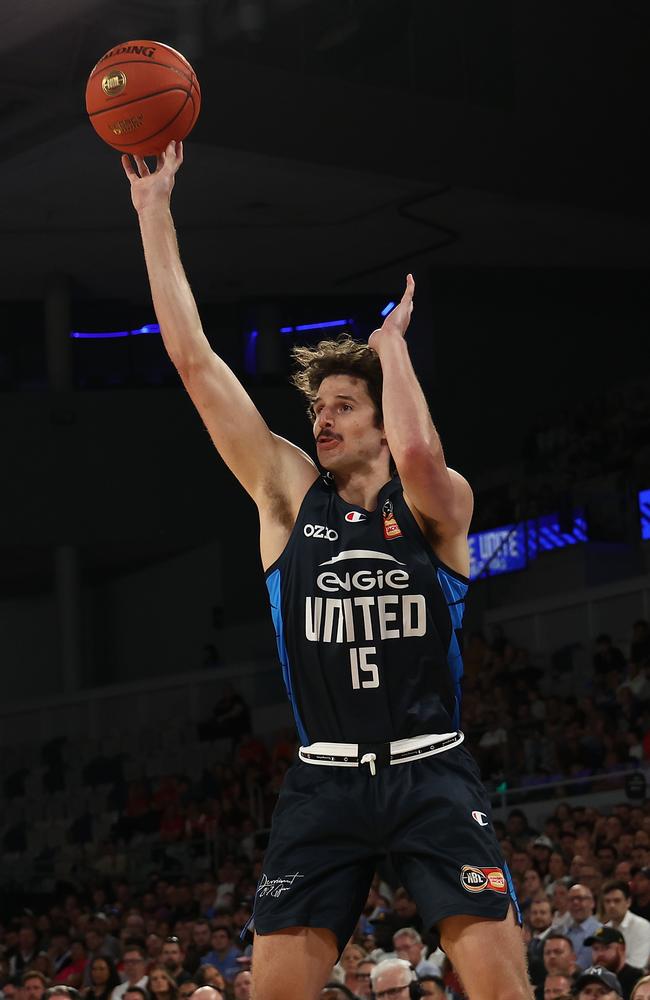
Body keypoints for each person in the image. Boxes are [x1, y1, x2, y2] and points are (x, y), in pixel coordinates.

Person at [122, 140, 529, 1000]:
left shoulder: (436, 508)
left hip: (432, 770)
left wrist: (391, 347)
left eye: (344, 406)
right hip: (326, 777)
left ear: (383, 420)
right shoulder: (284, 495)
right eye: (318, 408)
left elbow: (420, 450)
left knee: (504, 991)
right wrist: (153, 210)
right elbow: (193, 361)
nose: (323, 420)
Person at [584, 927, 643, 1000]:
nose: (600, 954)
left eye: (606, 948)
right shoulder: (587, 980)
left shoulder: (638, 980)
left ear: (622, 948)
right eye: (595, 949)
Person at [602, 880, 650, 970]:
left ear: (628, 902)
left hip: (635, 980)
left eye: (617, 901)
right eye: (607, 901)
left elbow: (638, 965)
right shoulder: (604, 929)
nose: (611, 905)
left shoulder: (642, 926)